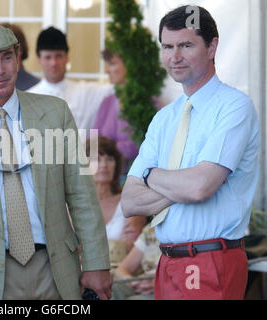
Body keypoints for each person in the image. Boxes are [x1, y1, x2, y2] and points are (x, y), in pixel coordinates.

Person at [0, 24, 112, 300]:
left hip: (55, 267)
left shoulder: (54, 112)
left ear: (18, 59)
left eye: (6, 57)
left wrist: (97, 263)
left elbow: (82, 194)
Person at [121, 5, 259, 300]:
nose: (175, 57)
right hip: (168, 262)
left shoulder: (234, 107)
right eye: (168, 47)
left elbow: (199, 188)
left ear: (212, 47)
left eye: (186, 45)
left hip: (211, 260)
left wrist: (151, 175)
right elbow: (130, 201)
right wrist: (181, 183)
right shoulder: (164, 119)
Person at [28, 26, 111, 131]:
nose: (53, 63)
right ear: (39, 60)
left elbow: (117, 88)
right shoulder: (28, 100)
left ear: (67, 57)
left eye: (58, 56)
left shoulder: (86, 93)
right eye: (48, 57)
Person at [86, 136, 146, 266]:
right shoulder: (74, 206)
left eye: (109, 159)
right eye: (97, 159)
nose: (104, 165)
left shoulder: (130, 199)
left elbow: (133, 246)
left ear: (116, 164)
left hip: (120, 273)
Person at [91, 49, 140, 172]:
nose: (107, 70)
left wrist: (108, 147)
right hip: (104, 176)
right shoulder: (107, 102)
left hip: (134, 179)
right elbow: (93, 144)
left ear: (129, 65)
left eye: (112, 63)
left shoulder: (148, 104)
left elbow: (142, 146)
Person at [113, 225, 160, 300]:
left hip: (165, 286)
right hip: (143, 284)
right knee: (111, 289)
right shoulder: (150, 231)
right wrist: (135, 282)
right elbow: (122, 269)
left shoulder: (180, 231)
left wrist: (158, 283)